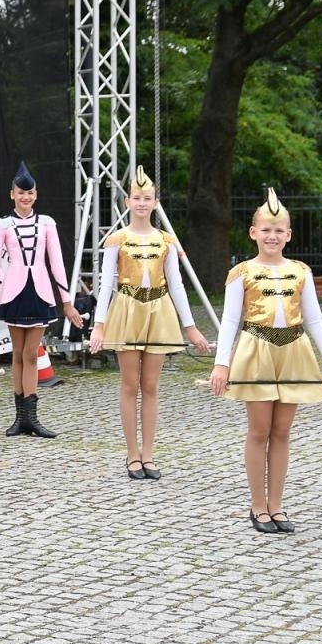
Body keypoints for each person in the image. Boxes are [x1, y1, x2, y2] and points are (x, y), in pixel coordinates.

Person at [210, 188, 322, 534]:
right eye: (266, 229)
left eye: (279, 230)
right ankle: (257, 506)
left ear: (288, 235)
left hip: (294, 351)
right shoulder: (241, 272)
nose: (272, 236)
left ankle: (277, 504)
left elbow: (315, 319)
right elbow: (230, 320)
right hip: (256, 350)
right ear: (253, 232)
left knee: (282, 431)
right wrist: (221, 363)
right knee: (259, 430)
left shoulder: (301, 271)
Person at [88, 166, 209, 480]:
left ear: (156, 202)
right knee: (130, 384)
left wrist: (190, 326)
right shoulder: (116, 239)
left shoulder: (166, 240)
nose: (142, 202)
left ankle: (149, 453)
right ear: (127, 201)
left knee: (151, 385)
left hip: (158, 309)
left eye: (148, 198)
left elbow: (176, 283)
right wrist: (99, 325)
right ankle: (131, 454)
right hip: (127, 309)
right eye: (136, 197)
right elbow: (106, 285)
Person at [0, 162, 83, 439]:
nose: (25, 197)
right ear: (12, 195)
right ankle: (20, 417)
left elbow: (56, 263)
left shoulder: (47, 223)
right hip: (13, 291)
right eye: (20, 193)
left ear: (36, 195)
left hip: (40, 290)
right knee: (18, 354)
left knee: (31, 353)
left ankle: (32, 415)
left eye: (29, 193)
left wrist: (67, 302)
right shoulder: (2, 225)